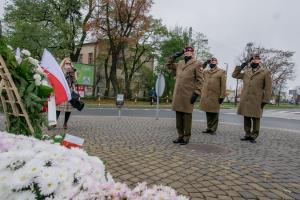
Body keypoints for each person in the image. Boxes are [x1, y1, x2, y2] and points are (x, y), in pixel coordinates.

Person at [166, 46, 204, 145]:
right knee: (178, 116)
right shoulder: (180, 63)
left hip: (188, 94)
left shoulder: (197, 64)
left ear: (193, 53)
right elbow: (169, 65)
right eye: (186, 52)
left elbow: (201, 81)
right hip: (178, 94)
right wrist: (175, 55)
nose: (187, 53)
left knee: (186, 117)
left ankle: (186, 137)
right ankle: (180, 136)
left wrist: (196, 93)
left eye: (189, 52)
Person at [232, 54, 272, 143]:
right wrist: (242, 65)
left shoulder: (265, 72)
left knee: (256, 118)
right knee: (246, 117)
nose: (255, 61)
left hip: (257, 99)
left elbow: (268, 88)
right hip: (246, 98)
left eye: (257, 60)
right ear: (251, 61)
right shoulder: (247, 72)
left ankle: (254, 136)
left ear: (260, 61)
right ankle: (247, 134)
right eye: (253, 60)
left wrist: (265, 100)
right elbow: (234, 75)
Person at [200, 57, 227, 134]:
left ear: (217, 62)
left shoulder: (221, 72)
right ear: (210, 63)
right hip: (206, 95)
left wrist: (222, 96)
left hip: (215, 95)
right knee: (208, 112)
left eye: (214, 61)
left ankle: (213, 129)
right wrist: (205, 63)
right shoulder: (206, 72)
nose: (213, 62)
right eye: (211, 61)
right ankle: (208, 127)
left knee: (214, 113)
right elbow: (199, 71)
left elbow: (223, 85)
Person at [56, 58, 77, 129]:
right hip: (62, 90)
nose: (68, 65)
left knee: (68, 108)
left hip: (69, 90)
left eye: (69, 63)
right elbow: (58, 80)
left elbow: (74, 81)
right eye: (66, 63)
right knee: (58, 107)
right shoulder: (60, 70)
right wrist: (65, 73)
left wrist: (72, 73)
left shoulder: (72, 71)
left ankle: (65, 123)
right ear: (64, 63)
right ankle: (54, 123)